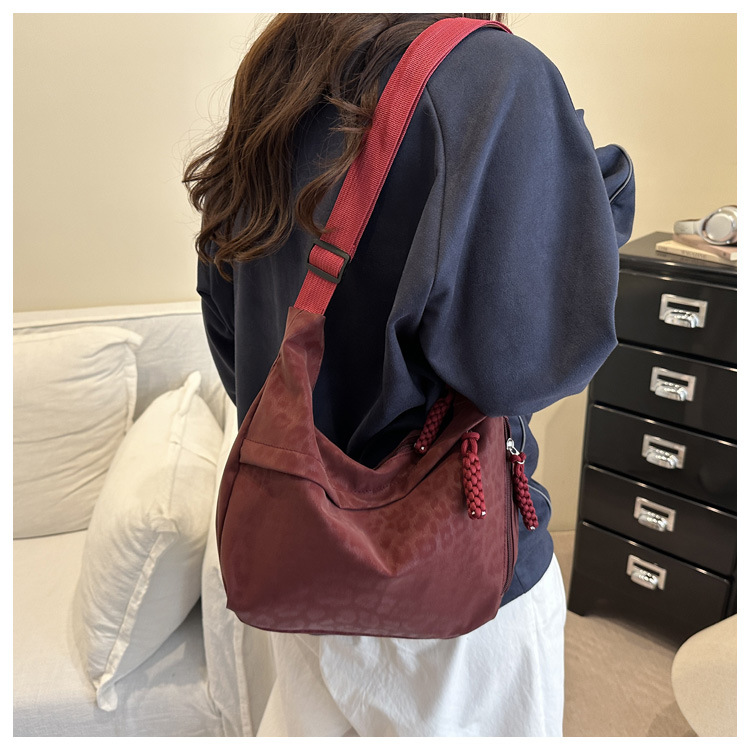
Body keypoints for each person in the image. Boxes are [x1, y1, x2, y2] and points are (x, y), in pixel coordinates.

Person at [185, 12, 635, 737]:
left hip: (300, 564)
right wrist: (590, 194)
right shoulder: (496, 76)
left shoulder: (280, 67)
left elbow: (229, 323)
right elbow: (524, 368)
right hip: (456, 594)